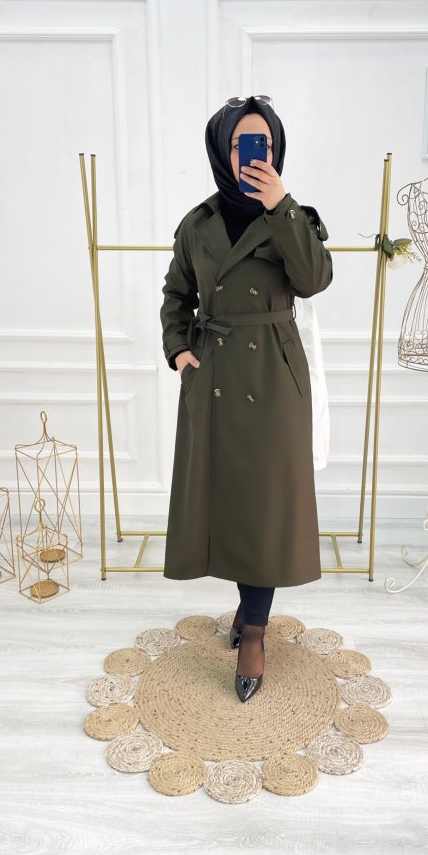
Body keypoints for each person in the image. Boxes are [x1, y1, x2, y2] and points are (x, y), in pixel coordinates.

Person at [160, 95, 333, 701]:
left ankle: (254, 630)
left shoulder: (294, 216)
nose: (251, 154)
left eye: (262, 143)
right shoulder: (198, 223)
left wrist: (280, 205)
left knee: (265, 506)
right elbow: (176, 295)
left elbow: (314, 280)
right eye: (240, 144)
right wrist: (179, 351)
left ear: (276, 150)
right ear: (222, 150)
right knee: (229, 500)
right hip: (213, 372)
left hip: (273, 376)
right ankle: (246, 610)